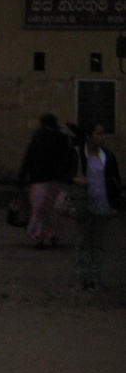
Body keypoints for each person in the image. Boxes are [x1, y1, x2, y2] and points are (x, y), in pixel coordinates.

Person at [70, 123, 121, 291]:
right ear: (89, 136)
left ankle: (95, 278)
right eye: (98, 134)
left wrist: (114, 204)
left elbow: (114, 181)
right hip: (83, 203)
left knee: (98, 244)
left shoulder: (108, 156)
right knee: (82, 242)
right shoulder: (78, 154)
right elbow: (64, 172)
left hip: (102, 204)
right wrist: (75, 180)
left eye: (103, 134)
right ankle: (81, 277)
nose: (102, 137)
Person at [17, 112, 75, 249]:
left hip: (38, 181)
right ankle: (54, 236)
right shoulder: (62, 138)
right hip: (57, 181)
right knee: (57, 211)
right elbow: (69, 158)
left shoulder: (37, 138)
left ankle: (40, 237)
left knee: (39, 211)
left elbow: (28, 159)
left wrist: (21, 178)